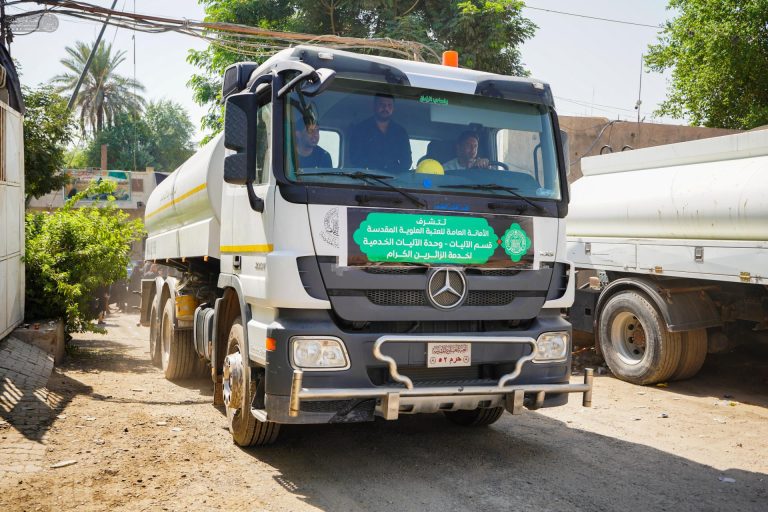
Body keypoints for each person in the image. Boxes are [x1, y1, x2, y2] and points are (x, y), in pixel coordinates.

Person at [349, 93, 412, 172]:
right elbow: (355, 159)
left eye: (389, 105)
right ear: (374, 106)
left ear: (393, 108)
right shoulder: (360, 129)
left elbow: (407, 162)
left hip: (394, 181)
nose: (386, 108)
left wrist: (394, 171)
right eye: (382, 104)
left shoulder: (401, 132)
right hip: (366, 180)